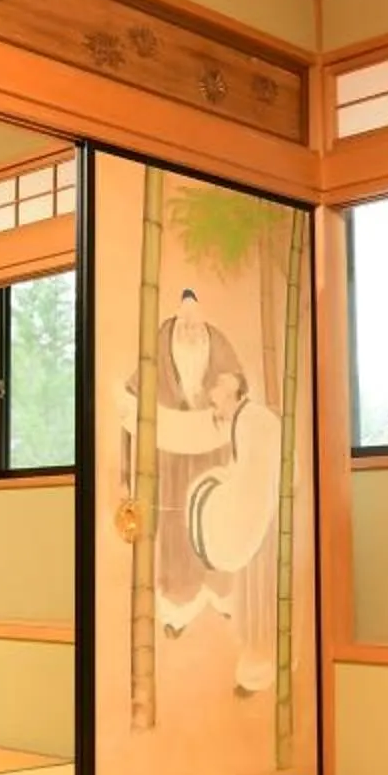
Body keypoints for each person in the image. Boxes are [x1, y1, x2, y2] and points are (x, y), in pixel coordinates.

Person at [119, 287, 280, 694]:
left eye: (197, 322)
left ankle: (222, 596)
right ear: (176, 318)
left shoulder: (220, 347)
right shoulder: (158, 342)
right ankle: (179, 603)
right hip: (173, 457)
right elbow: (131, 397)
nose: (192, 328)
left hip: (215, 457)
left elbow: (235, 390)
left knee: (223, 526)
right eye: (185, 322)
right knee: (177, 524)